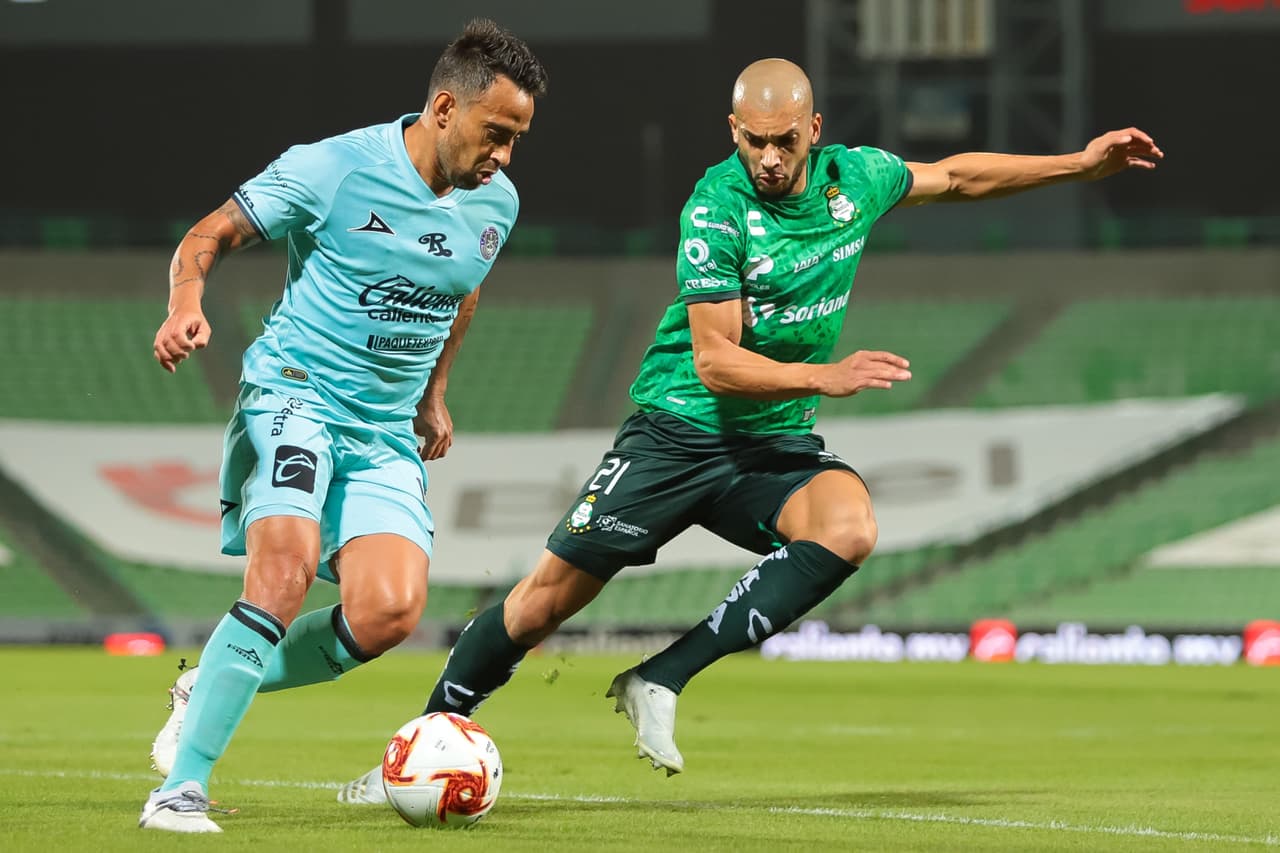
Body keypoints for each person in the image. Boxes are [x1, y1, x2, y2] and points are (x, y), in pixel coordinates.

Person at [335, 57, 1162, 804]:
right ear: (733, 130)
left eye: (784, 141)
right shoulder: (716, 206)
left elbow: (955, 176)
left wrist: (1078, 164)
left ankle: (661, 677)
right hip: (678, 433)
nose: (768, 157)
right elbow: (716, 362)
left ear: (814, 130)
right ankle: (417, 745)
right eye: (753, 140)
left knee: (849, 526)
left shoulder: (856, 179)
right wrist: (825, 377)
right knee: (540, 604)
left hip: (770, 445)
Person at [138, 19, 548, 833]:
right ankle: (179, 790)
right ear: (444, 108)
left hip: (383, 430)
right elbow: (209, 233)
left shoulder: (495, 204)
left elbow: (462, 288)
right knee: (283, 572)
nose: (505, 156)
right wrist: (186, 304)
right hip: (295, 394)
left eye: (517, 139)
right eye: (496, 132)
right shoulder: (333, 168)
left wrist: (434, 392)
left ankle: (207, 681)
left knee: (388, 611)